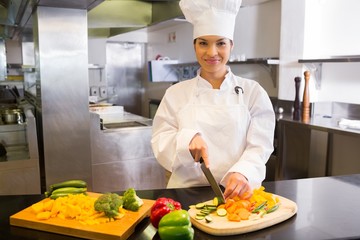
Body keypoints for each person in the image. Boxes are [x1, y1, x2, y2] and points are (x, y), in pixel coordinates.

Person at [151, 0, 275, 200]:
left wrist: (243, 171)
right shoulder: (176, 93)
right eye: (203, 43)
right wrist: (187, 140)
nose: (212, 52)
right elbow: (160, 140)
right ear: (194, 46)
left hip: (237, 195)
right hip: (185, 195)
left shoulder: (253, 92)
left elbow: (260, 145)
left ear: (231, 45)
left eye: (220, 43)